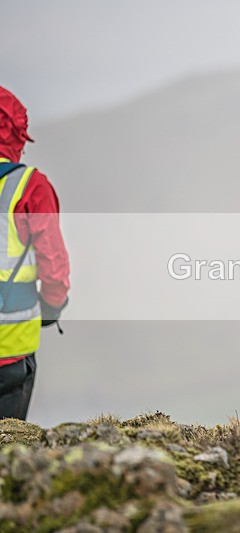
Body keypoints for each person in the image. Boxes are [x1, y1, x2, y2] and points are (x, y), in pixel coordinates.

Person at [0, 85, 70, 420]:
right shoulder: (29, 186)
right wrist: (52, 308)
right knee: (8, 456)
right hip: (9, 352)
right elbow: (54, 267)